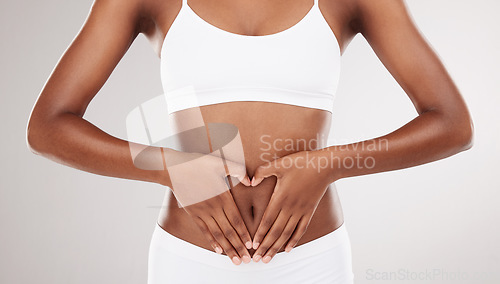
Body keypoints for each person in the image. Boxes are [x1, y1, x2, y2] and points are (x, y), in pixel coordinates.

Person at [26, 0, 474, 283]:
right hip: (191, 261)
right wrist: (172, 168)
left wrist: (331, 163)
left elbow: (452, 124)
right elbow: (48, 126)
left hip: (313, 261)